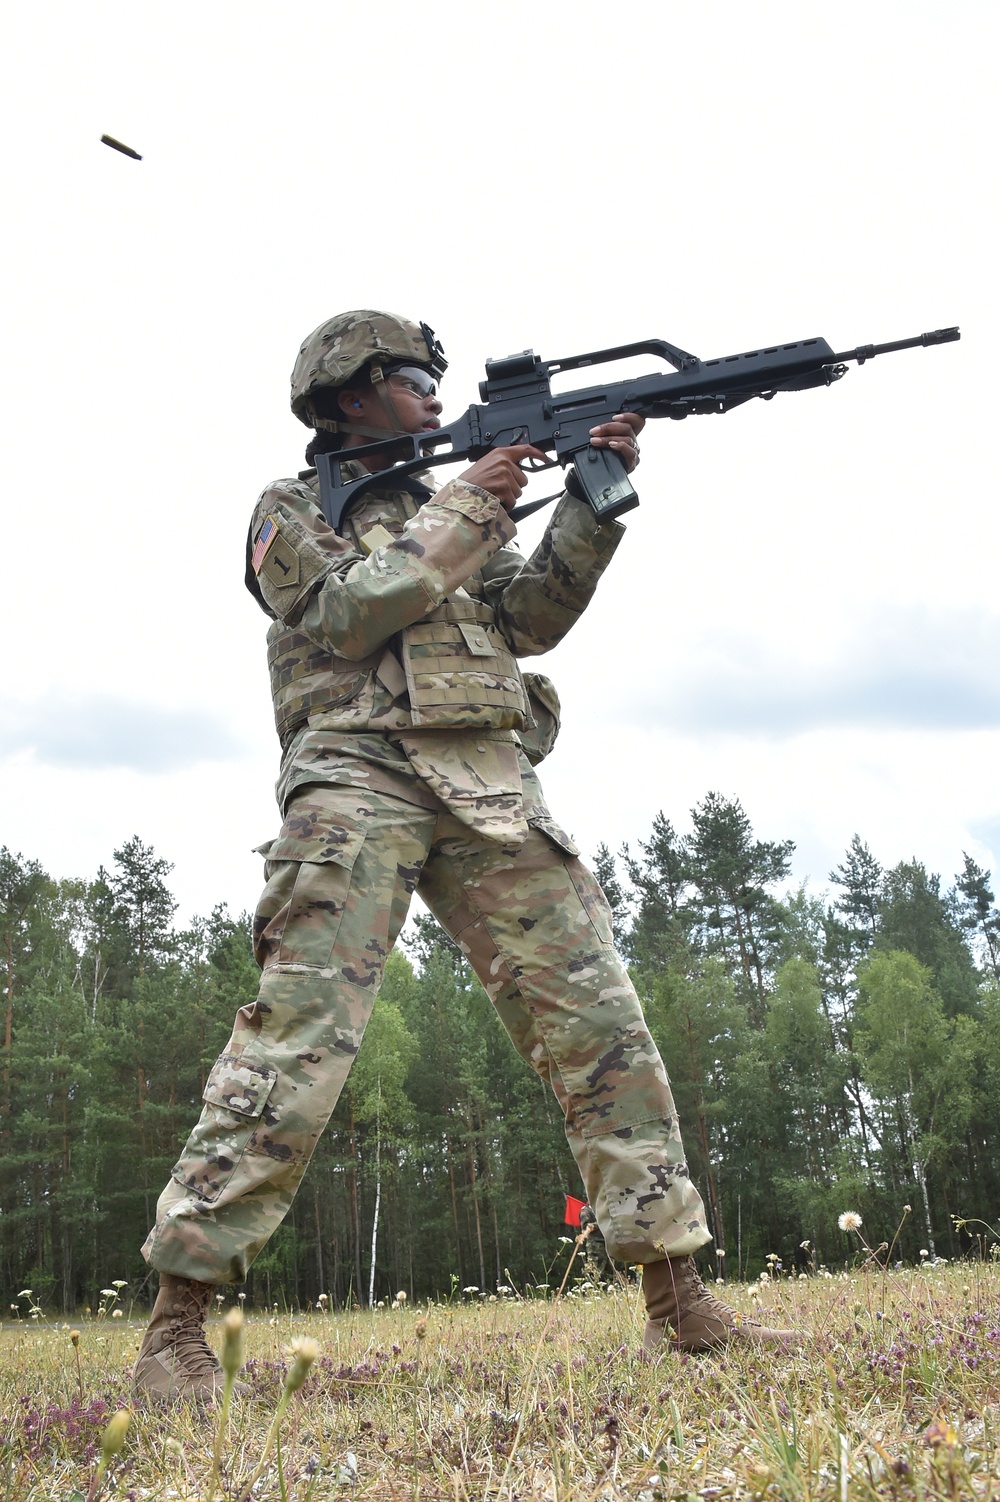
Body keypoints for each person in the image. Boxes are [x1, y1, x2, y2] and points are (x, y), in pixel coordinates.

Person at [133, 311, 801, 1402]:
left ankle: (679, 1305)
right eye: (410, 377)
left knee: (602, 1028)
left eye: (439, 379)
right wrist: (481, 493)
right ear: (346, 396)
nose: (434, 394)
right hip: (355, 775)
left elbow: (528, 621)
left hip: (489, 779)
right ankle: (174, 1331)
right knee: (299, 1036)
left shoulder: (452, 503)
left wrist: (591, 497)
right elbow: (353, 612)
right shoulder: (293, 508)